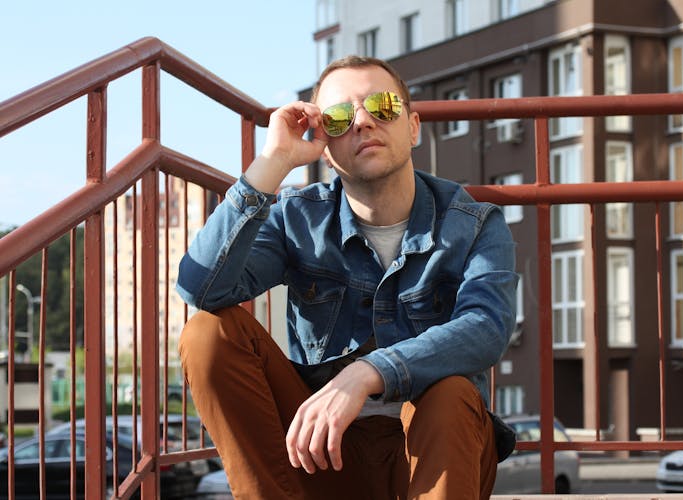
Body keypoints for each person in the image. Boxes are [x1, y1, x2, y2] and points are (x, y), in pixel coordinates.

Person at [176, 55, 519, 500]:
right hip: (323, 460)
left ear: (413, 126)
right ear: (323, 142)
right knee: (208, 333)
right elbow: (201, 287)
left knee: (452, 393)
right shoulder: (297, 218)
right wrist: (274, 162)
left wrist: (368, 372)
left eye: (382, 106)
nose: (362, 122)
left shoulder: (472, 223)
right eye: (339, 116)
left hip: (432, 457)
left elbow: (486, 328)